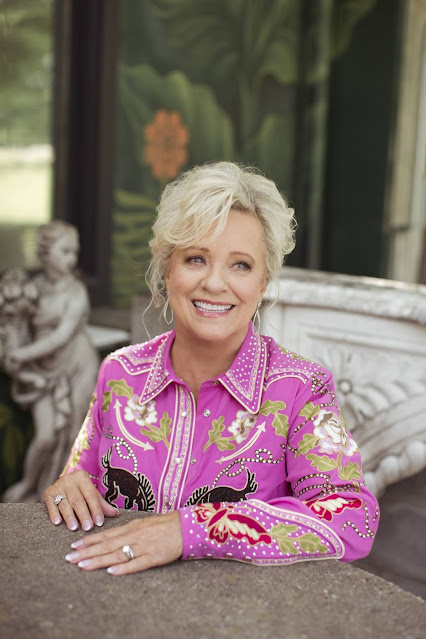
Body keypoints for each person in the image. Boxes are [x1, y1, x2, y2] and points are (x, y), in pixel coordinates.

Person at [44, 163, 379, 575]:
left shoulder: (300, 390)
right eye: (196, 258)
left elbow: (352, 519)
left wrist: (195, 529)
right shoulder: (121, 373)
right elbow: (78, 482)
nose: (216, 283)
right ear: (168, 270)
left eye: (241, 265)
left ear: (263, 282)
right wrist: (67, 490)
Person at [3, 221, 99, 502]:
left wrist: (22, 355)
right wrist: (14, 354)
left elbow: (62, 336)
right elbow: (16, 328)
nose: (72, 259)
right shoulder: (32, 289)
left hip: (77, 365)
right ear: (46, 253)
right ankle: (31, 485)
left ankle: (62, 492)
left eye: (75, 252)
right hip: (43, 369)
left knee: (75, 434)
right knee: (45, 436)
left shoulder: (76, 291)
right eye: (65, 251)